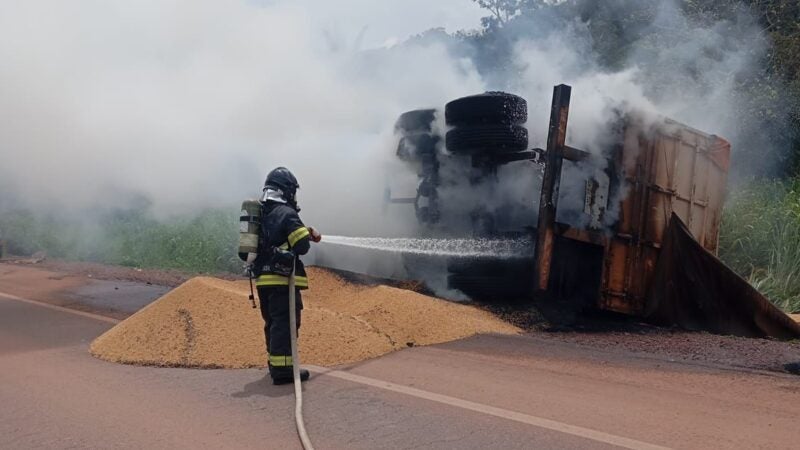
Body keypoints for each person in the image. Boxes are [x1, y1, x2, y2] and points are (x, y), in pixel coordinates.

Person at [254, 167, 322, 385]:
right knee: (285, 323)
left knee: (272, 322)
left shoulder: (261, 214)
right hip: (283, 281)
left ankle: (275, 364)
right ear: (287, 190)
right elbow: (301, 246)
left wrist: (306, 232)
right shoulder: (287, 214)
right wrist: (307, 233)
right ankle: (283, 370)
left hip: (263, 280)